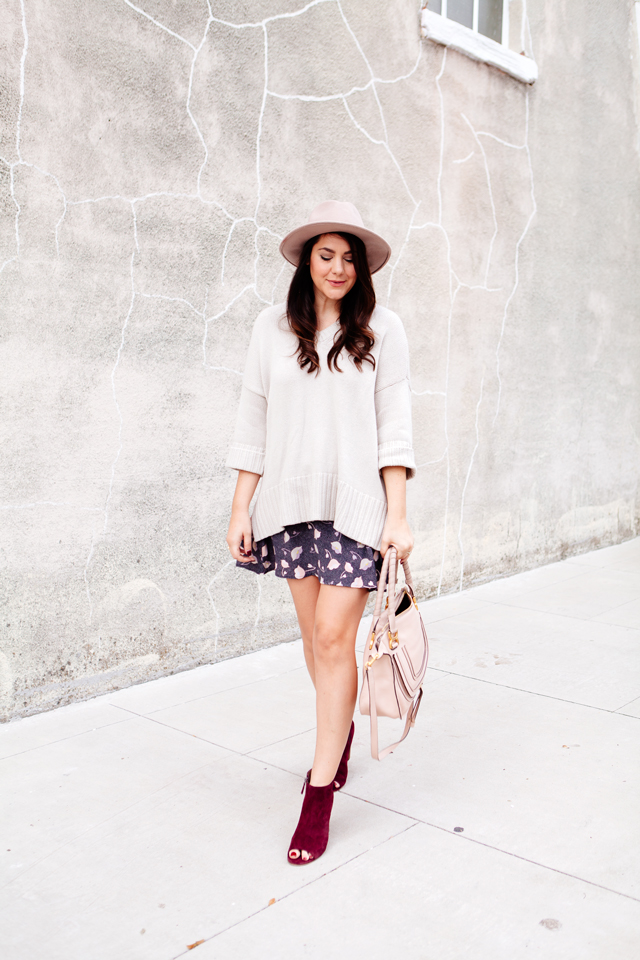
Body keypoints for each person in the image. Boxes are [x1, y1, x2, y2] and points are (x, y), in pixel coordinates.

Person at [225, 200, 415, 864]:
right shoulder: (271, 328)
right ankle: (333, 747)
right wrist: (239, 506)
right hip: (289, 506)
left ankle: (320, 788)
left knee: (336, 638)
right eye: (326, 254)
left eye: (349, 257)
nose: (337, 267)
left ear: (362, 268)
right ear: (308, 259)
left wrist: (396, 515)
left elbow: (394, 427)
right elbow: (254, 416)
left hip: (357, 508)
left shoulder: (383, 328)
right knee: (316, 643)